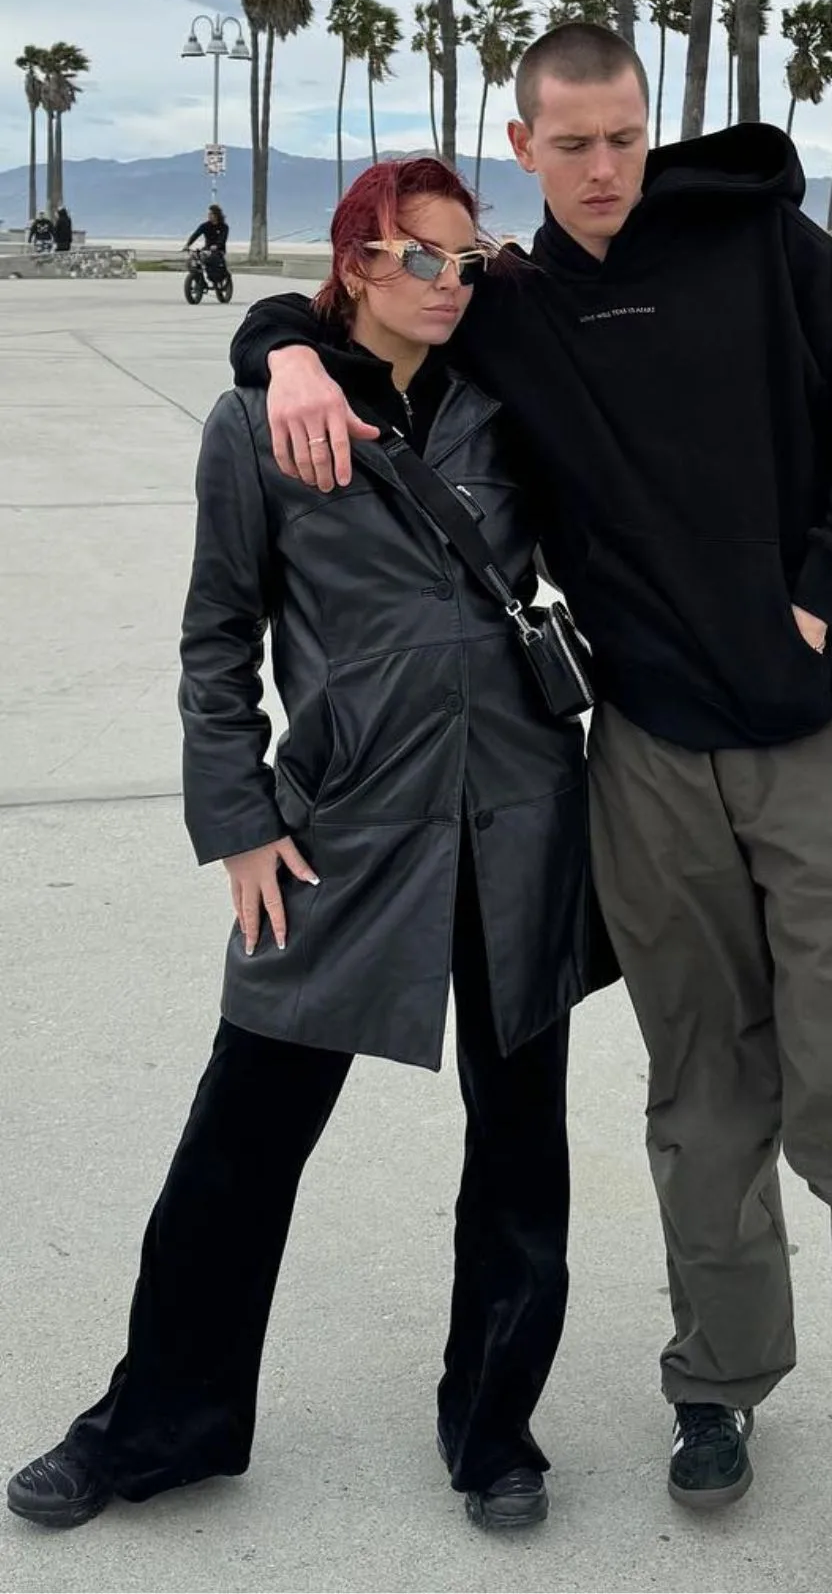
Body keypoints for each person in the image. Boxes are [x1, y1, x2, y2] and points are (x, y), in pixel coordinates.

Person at [229, 25, 832, 1594]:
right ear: (523, 146)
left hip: (820, 749)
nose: (604, 170)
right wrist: (284, 354)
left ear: (652, 128)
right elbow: (341, 315)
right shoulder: (507, 310)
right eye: (572, 143)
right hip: (644, 763)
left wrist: (821, 591)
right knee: (702, 1100)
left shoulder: (766, 247)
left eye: (626, 137)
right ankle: (717, 1388)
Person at [7, 158, 605, 1538]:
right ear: (356, 265)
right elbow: (218, 640)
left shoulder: (511, 406)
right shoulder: (259, 426)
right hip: (344, 830)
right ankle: (162, 1421)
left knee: (522, 1155)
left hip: (518, 824)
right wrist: (240, 823)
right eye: (425, 259)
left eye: (470, 259)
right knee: (238, 1143)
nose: (454, 284)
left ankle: (494, 1427)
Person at [184, 202, 229, 283]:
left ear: (216, 215)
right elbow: (195, 235)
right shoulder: (205, 225)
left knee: (210, 262)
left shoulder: (224, 227)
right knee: (192, 260)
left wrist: (217, 246)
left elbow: (223, 238)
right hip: (207, 249)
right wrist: (187, 244)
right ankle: (199, 281)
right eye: (208, 214)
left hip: (219, 250)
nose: (209, 215)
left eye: (211, 214)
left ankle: (215, 278)